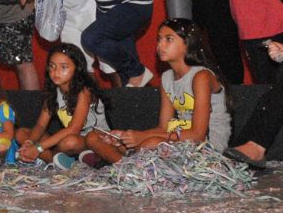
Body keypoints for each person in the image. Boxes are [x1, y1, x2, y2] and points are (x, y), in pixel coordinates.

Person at [89, 19, 231, 164]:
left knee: (150, 144)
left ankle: (132, 165)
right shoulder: (166, 77)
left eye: (169, 39)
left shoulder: (201, 76)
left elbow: (198, 135)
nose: (160, 45)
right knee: (94, 138)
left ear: (188, 43)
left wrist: (143, 137)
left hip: (207, 146)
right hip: (177, 140)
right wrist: (128, 136)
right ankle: (128, 165)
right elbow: (164, 127)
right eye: (159, 39)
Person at [17, 43, 108, 169]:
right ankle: (59, 160)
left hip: (93, 139)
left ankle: (50, 158)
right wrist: (29, 143)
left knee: (69, 142)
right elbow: (41, 125)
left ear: (77, 69)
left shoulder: (84, 91)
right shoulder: (53, 91)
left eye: (63, 67)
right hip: (68, 138)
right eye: (52, 66)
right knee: (21, 133)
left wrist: (38, 148)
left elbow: (74, 129)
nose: (56, 72)